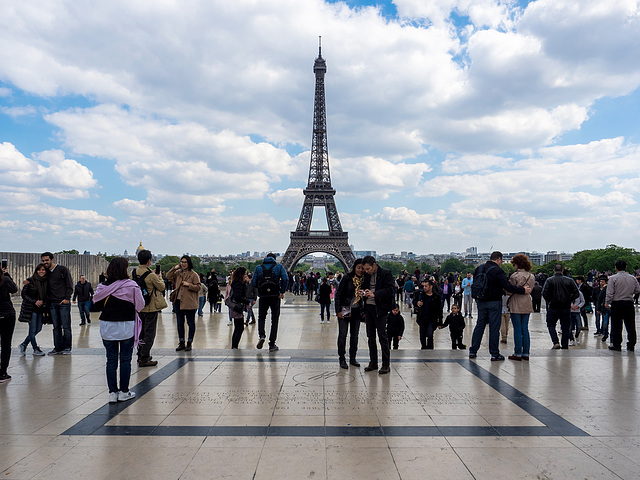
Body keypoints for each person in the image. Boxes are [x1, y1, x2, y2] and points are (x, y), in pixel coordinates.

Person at [93, 257, 144, 403]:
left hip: (107, 326)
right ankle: (124, 391)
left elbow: (96, 303)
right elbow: (140, 306)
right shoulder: (132, 285)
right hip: (126, 325)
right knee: (125, 360)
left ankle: (112, 393)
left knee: (111, 360)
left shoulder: (102, 286)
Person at [468, 251, 530, 361]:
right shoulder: (498, 271)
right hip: (494, 301)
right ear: (499, 259)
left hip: (480, 300)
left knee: (480, 325)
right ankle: (494, 353)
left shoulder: (480, 268)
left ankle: (473, 350)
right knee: (494, 327)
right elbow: (507, 287)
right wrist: (522, 290)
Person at [362, 256, 395, 374]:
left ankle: (386, 364)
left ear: (374, 265)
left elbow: (391, 290)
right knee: (370, 337)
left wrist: (375, 294)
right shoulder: (366, 275)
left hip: (380, 309)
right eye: (365, 269)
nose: (366, 271)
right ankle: (373, 362)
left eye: (368, 269)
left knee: (382, 337)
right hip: (369, 308)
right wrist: (363, 292)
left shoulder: (386, 273)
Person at [134, 249, 167, 367]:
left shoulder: (134, 272)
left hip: (139, 307)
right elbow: (162, 287)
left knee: (140, 333)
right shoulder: (152, 275)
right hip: (150, 307)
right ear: (149, 261)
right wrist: (159, 277)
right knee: (149, 333)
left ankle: (140, 354)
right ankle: (145, 357)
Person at [251, 253, 288, 352]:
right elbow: (285, 279)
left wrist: (260, 289)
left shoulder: (259, 267)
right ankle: (272, 344)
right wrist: (282, 291)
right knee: (274, 319)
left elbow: (253, 283)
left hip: (263, 296)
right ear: (275, 259)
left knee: (261, 318)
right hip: (275, 296)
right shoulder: (279, 266)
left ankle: (262, 335)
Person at [166, 255, 201, 352]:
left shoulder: (193, 274)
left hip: (189, 302)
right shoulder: (178, 273)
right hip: (178, 301)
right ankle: (181, 342)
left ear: (189, 263)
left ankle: (189, 343)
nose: (183, 264)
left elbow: (198, 287)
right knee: (180, 323)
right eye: (182, 262)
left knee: (191, 323)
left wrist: (188, 285)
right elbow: (168, 276)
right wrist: (175, 268)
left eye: (185, 262)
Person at [41, 252, 74, 355]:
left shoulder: (62, 269)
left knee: (66, 326)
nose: (45, 262)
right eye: (43, 261)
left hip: (63, 302)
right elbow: (36, 277)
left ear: (52, 260)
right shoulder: (46, 272)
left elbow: (69, 284)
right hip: (52, 304)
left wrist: (67, 298)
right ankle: (58, 348)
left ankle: (67, 347)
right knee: (56, 327)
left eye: (47, 260)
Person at [334, 258, 364, 369]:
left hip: (356, 311)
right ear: (354, 267)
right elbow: (338, 294)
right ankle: (342, 358)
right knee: (342, 335)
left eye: (362, 268)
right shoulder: (347, 278)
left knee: (354, 336)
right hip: (345, 309)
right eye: (358, 268)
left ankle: (352, 358)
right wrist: (338, 310)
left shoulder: (365, 280)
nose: (360, 270)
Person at [605, 260, 640, 352]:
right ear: (626, 267)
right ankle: (631, 344)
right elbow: (637, 290)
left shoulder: (613, 278)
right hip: (629, 303)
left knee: (616, 325)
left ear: (616, 267)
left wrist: (607, 302)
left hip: (617, 303)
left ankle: (617, 344)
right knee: (630, 325)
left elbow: (610, 293)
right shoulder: (632, 278)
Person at [542, 264, 579, 349]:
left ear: (554, 270)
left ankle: (555, 341)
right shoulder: (569, 280)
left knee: (551, 325)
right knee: (565, 327)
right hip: (565, 306)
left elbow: (544, 293)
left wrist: (550, 301)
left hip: (553, 306)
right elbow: (576, 293)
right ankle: (565, 344)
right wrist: (570, 299)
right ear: (562, 271)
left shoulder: (549, 280)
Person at [507, 254, 535, 360]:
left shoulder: (514, 276)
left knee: (517, 329)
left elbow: (509, 291)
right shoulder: (531, 276)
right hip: (527, 302)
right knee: (525, 329)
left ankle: (517, 352)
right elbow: (530, 290)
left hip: (516, 303)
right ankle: (526, 353)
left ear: (517, 264)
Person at [18, 264, 49, 356]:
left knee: (38, 328)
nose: (41, 271)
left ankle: (23, 344)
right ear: (36, 271)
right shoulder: (30, 281)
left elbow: (47, 294)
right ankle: (35, 348)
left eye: (43, 270)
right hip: (30, 308)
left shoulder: (46, 281)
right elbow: (24, 295)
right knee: (32, 329)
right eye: (39, 270)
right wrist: (35, 301)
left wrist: (43, 301)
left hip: (40, 309)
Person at [0, 262, 18, 382]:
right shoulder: (5, 279)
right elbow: (14, 289)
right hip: (7, 315)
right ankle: (3, 372)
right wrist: (6, 274)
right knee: (6, 344)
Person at [416, 278, 443, 349]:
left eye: (426, 286)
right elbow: (414, 303)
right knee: (422, 336)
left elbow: (439, 310)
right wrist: (417, 304)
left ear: (431, 286)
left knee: (430, 335)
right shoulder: (421, 295)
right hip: (422, 318)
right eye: (424, 286)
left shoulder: (436, 297)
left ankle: (430, 350)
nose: (424, 288)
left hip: (432, 319)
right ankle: (423, 348)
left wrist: (440, 321)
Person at [229, 267, 250, 349]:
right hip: (237, 308)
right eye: (245, 274)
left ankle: (234, 346)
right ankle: (234, 346)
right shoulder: (238, 284)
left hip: (235, 307)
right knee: (239, 328)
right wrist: (247, 301)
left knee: (238, 328)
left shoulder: (236, 283)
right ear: (241, 275)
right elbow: (237, 297)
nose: (246, 275)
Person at [596, 276, 611, 342]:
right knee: (605, 323)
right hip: (606, 308)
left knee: (612, 324)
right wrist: (598, 308)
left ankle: (611, 336)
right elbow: (599, 299)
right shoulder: (605, 289)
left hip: (612, 307)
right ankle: (605, 334)